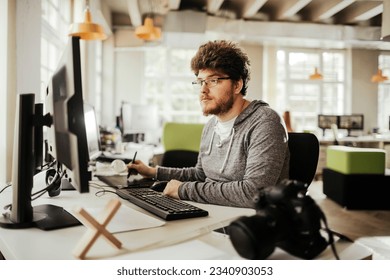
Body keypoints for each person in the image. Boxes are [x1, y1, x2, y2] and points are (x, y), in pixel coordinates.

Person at [128, 40, 290, 208]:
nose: (203, 90)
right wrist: (153, 172)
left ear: (237, 85)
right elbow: (201, 174)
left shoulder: (265, 122)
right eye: (200, 82)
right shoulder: (211, 126)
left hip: (247, 223)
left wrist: (183, 190)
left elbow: (254, 193)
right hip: (213, 212)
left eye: (213, 81)